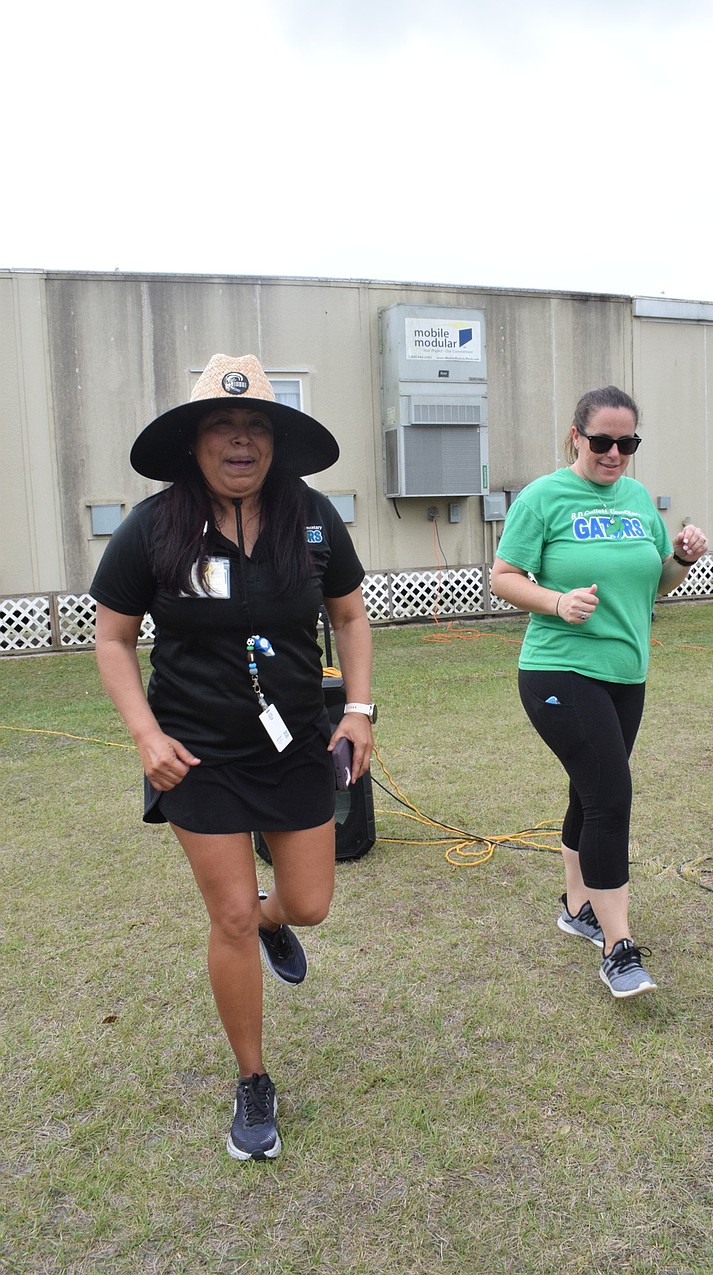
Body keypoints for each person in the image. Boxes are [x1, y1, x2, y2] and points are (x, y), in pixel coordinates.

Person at [91, 353, 376, 1159]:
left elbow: (350, 617)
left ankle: (272, 918)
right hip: (197, 753)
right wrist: (147, 736)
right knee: (228, 914)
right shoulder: (153, 527)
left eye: (257, 427)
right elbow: (112, 638)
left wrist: (358, 710)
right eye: (225, 426)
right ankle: (253, 1078)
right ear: (195, 442)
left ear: (276, 443)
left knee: (309, 901)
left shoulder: (313, 517)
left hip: (292, 746)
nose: (242, 441)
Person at [490, 385, 707, 998]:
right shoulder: (545, 497)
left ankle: (577, 907)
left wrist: (683, 559)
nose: (615, 453)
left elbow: (656, 583)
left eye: (627, 443)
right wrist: (558, 602)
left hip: (625, 675)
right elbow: (503, 577)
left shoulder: (637, 499)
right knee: (611, 796)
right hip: (559, 670)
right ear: (577, 437)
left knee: (589, 794)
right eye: (604, 441)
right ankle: (617, 946)